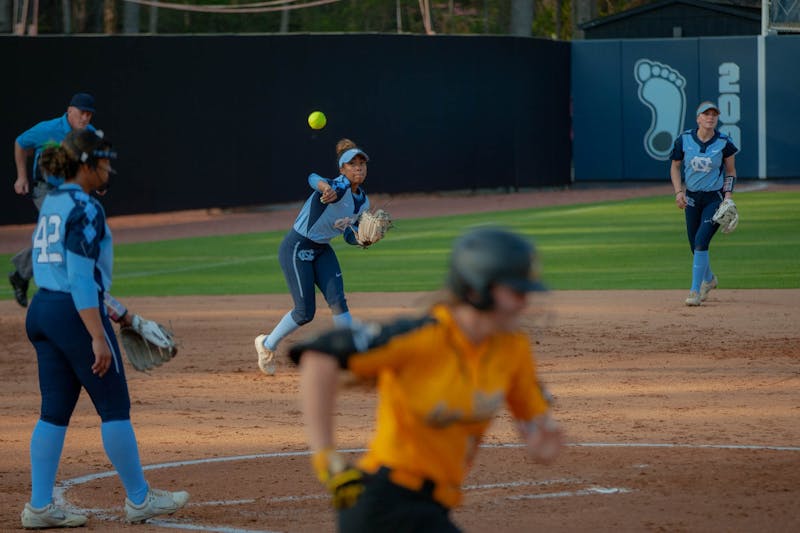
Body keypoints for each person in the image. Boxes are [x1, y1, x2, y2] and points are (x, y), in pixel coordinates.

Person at [288, 227, 564, 533]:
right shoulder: (423, 337)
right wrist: (326, 457)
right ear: (477, 289)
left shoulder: (512, 348)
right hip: (381, 506)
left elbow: (533, 419)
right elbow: (319, 355)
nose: (525, 303)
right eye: (517, 292)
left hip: (431, 508)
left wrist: (541, 438)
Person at [21, 129, 189, 529]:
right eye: (104, 160)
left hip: (43, 309)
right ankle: (139, 499)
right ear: (86, 165)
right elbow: (80, 280)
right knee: (114, 407)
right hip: (73, 313)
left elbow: (57, 270)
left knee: (53, 413)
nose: (109, 167)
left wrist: (123, 316)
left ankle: (40, 506)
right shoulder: (86, 207)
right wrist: (98, 335)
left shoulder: (53, 200)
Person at [254, 138, 372, 375]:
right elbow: (312, 177)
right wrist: (323, 187)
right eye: (352, 164)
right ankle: (266, 345)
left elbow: (349, 233)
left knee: (338, 301)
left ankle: (348, 355)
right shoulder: (337, 187)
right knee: (305, 312)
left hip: (322, 249)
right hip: (297, 247)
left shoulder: (363, 201)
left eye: (362, 163)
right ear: (342, 170)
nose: (358, 167)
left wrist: (362, 239)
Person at [9, 92, 97, 308]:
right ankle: (58, 291)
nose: (85, 118)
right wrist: (21, 176)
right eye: (81, 113)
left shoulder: (90, 133)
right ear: (69, 111)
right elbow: (20, 143)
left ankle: (22, 273)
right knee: (63, 231)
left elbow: (94, 159)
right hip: (46, 190)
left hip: (72, 192)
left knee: (60, 235)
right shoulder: (49, 129)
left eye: (89, 114)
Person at [670, 101, 738, 306]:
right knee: (695, 245)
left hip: (714, 199)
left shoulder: (724, 142)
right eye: (706, 114)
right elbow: (675, 166)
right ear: (698, 118)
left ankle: (694, 291)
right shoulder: (684, 140)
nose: (710, 117)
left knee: (701, 241)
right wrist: (678, 192)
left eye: (714, 115)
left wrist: (728, 196)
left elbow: (731, 171)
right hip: (691, 198)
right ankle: (709, 280)